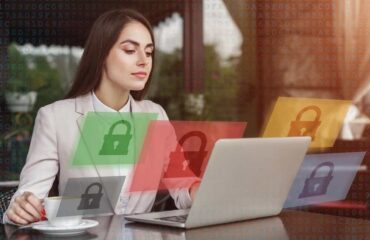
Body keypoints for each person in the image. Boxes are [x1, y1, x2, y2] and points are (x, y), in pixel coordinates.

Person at [4, 8, 199, 225]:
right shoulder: (55, 118)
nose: (144, 60)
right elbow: (29, 197)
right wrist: (21, 209)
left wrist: (207, 190)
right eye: (129, 50)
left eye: (149, 51)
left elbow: (183, 188)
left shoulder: (155, 115)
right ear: (102, 54)